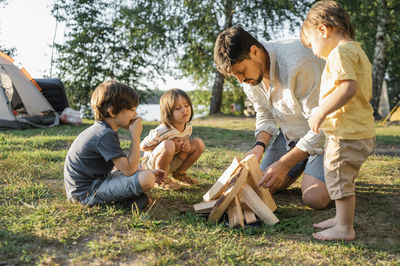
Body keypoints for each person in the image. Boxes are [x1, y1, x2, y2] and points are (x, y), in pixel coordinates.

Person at [214, 26, 331, 210]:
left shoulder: (299, 63)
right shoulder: (250, 77)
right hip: (292, 135)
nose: (240, 80)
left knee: (315, 198)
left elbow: (322, 127)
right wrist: (259, 146)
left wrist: (284, 164)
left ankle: (341, 168)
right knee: (263, 184)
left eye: (241, 71)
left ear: (254, 51)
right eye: (235, 75)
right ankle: (307, 166)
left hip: (328, 137)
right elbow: (265, 115)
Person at [300, 0, 375, 241]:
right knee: (343, 178)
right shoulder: (357, 50)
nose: (313, 51)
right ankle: (341, 218)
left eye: (311, 44)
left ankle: (345, 227)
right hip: (359, 130)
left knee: (338, 176)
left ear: (323, 30)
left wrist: (321, 111)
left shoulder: (340, 53)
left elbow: (348, 88)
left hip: (346, 133)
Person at [64, 80, 166, 209]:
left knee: (145, 173)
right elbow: (129, 170)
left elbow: (121, 166)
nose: (135, 114)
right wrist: (135, 135)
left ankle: (129, 201)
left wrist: (148, 170)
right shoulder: (104, 134)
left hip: (95, 183)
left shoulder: (104, 130)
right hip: (86, 194)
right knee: (146, 179)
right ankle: (125, 202)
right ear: (112, 111)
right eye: (132, 110)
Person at [140, 88, 205, 190]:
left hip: (170, 162)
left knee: (198, 143)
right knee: (168, 145)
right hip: (152, 166)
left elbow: (185, 136)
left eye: (187, 105)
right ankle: (159, 179)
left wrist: (186, 142)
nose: (184, 109)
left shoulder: (188, 126)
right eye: (178, 108)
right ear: (168, 113)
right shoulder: (163, 130)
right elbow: (142, 146)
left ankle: (179, 174)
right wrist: (169, 144)